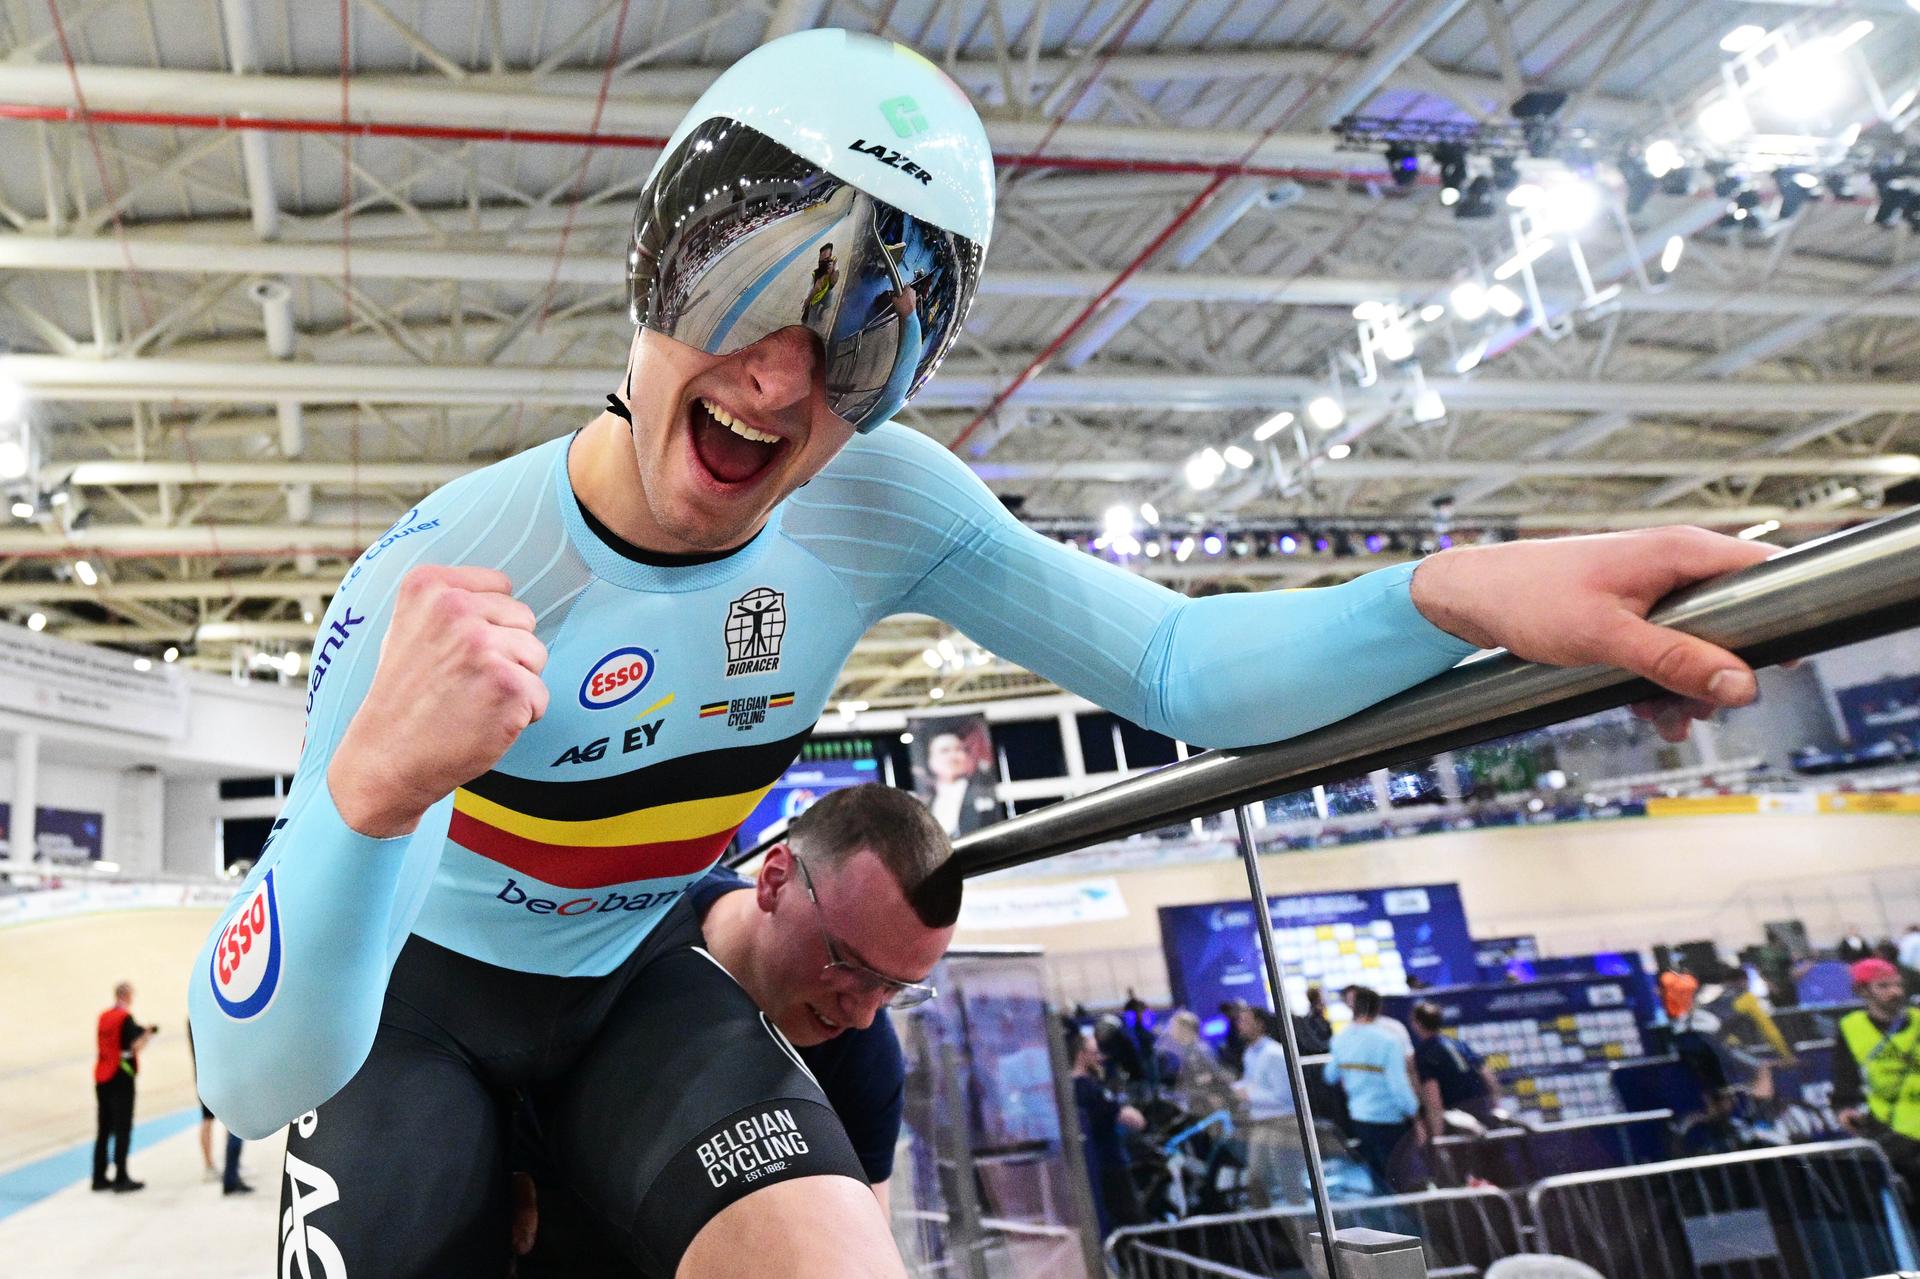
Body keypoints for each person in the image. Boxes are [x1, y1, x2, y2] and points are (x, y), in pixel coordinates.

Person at [187, 27, 1774, 1279]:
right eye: (745, 279)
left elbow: (1179, 667)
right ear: (653, 265)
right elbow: (254, 1073)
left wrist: (1459, 594)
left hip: (625, 987)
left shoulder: (879, 503)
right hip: (408, 1012)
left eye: (869, 324)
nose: (780, 371)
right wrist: (376, 790)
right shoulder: (447, 573)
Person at [513, 785, 943, 1270]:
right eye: (848, 964)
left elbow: (868, 1233)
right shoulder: (620, 928)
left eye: (892, 989)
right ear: (774, 880)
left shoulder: (863, 1052)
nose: (863, 1013)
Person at [1833, 957, 1920, 1193]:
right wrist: (1845, 1108)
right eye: (1883, 986)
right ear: (1863, 991)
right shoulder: (1851, 1027)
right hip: (1890, 1132)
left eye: (1897, 985)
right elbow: (1845, 1075)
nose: (1895, 992)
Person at [1324, 988, 1419, 1193]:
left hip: (1359, 1118)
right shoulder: (1388, 1040)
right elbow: (1398, 1086)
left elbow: (1329, 1075)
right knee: (1400, 1179)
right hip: (1391, 1120)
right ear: (1377, 1009)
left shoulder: (1340, 1039)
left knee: (1376, 1179)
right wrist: (1415, 1113)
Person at [1069, 1027, 1146, 1239]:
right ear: (1082, 1054)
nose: (1100, 1058)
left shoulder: (1070, 1089)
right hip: (1110, 1165)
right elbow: (1134, 1120)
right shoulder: (1089, 1089)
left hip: (1093, 1166)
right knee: (1130, 1222)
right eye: (1094, 1052)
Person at [1234, 1004, 1309, 1206]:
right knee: (1255, 1181)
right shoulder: (1250, 1053)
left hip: (1283, 1124)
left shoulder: (1273, 1054)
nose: (1239, 1026)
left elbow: (1286, 1096)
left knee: (1290, 1184)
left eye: (1245, 1021)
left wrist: (1248, 1096)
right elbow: (1252, 1083)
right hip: (1262, 1124)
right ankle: (1271, 1232)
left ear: (1260, 1024)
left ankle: (1301, 1232)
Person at [93, 981, 154, 1193]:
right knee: (123, 1128)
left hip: (102, 1076)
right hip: (121, 1077)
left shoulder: (103, 1016)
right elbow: (133, 1045)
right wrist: (146, 1036)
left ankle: (98, 1176)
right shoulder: (125, 1018)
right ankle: (121, 1177)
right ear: (127, 996)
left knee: (104, 1128)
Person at [1409, 1002, 1503, 1133]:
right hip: (1482, 1110)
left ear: (1417, 1024)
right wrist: (1496, 1107)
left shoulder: (1424, 1054)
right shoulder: (1459, 1044)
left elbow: (1433, 1097)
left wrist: (1438, 1137)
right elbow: (1488, 1077)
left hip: (1458, 1119)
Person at [187, 1025, 252, 1194]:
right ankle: (226, 1169)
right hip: (220, 1077)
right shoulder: (213, 1017)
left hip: (206, 1078)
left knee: (211, 1121)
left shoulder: (197, 1017)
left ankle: (218, 1166)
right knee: (232, 1120)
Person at [918, 727, 1000, 836]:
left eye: (958, 749)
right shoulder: (927, 803)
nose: (952, 757)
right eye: (945, 751)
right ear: (930, 759)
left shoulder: (981, 791)